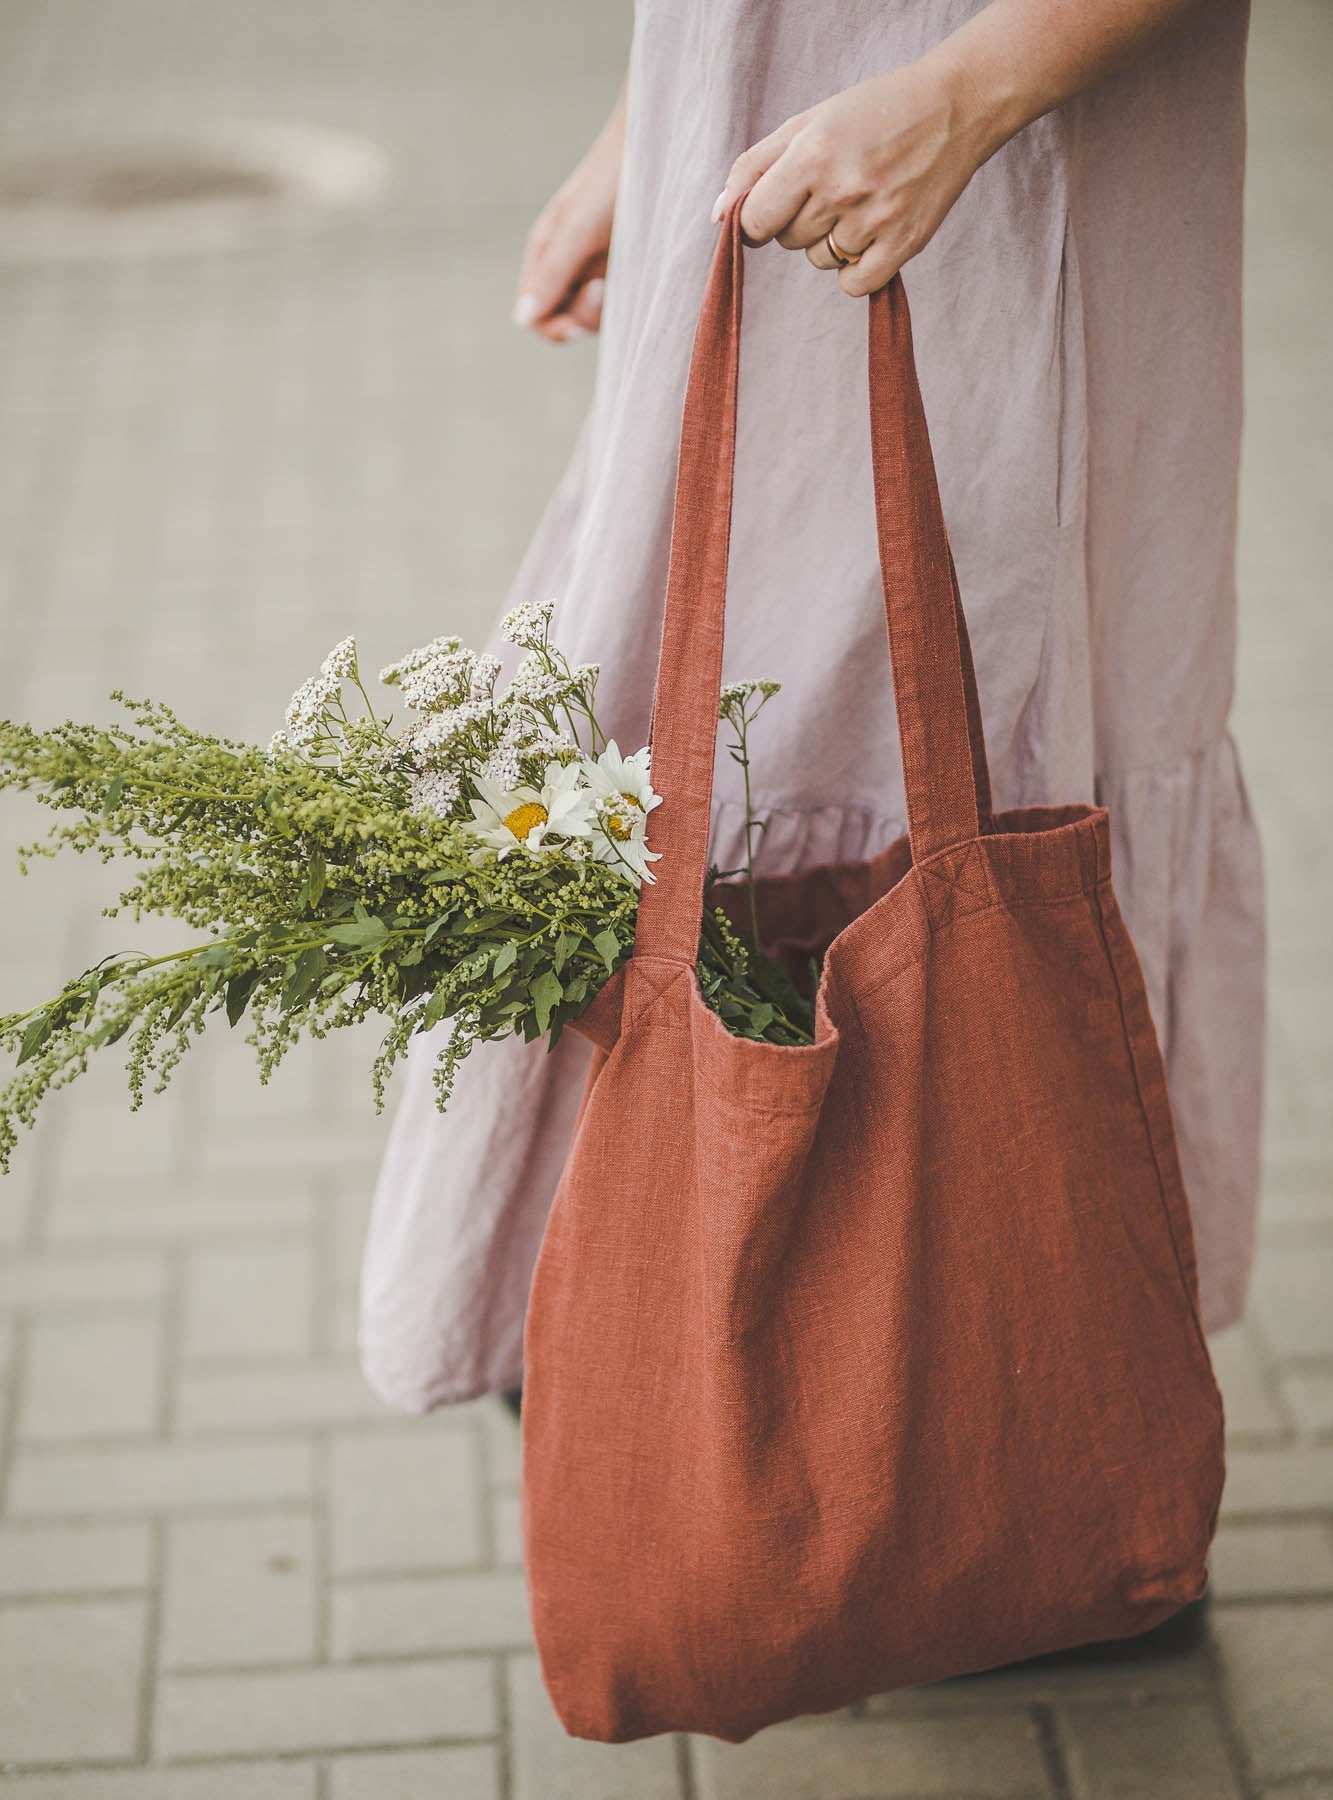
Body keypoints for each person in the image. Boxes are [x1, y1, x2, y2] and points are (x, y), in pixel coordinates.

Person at [360, 0, 1262, 1423]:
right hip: (754, 148)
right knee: (683, 711)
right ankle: (689, 1370)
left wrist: (967, 91)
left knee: (989, 706)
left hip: (1020, 146)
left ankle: (1007, 1417)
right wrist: (645, 123)